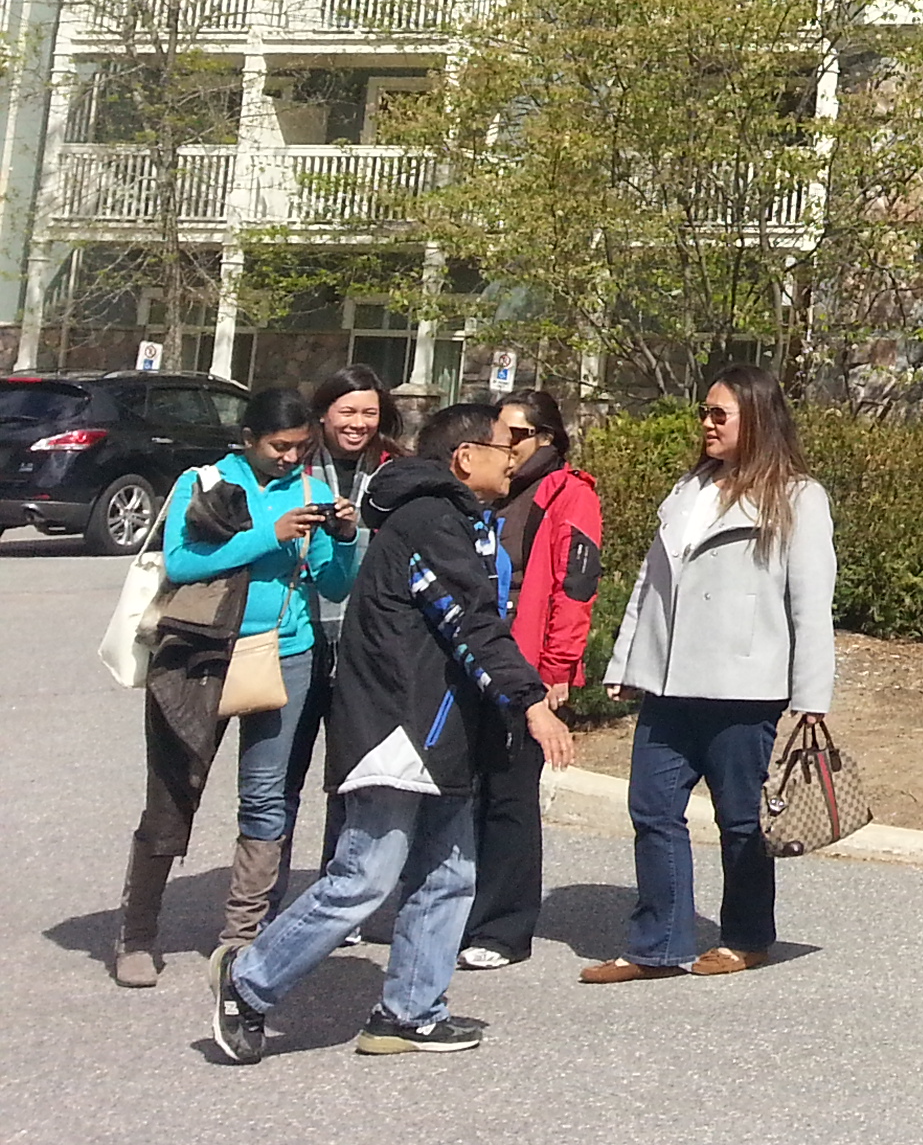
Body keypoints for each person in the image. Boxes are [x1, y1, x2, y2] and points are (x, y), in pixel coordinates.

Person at [209, 403, 576, 1062]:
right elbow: (468, 620)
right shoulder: (430, 519)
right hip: (399, 728)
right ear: (465, 457)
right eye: (505, 445)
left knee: (449, 875)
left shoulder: (455, 517)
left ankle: (409, 1013)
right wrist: (529, 701)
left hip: (444, 730)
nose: (514, 456)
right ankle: (248, 981)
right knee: (365, 876)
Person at [581, 364, 835, 984]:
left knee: (741, 820)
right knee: (651, 808)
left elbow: (811, 602)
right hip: (669, 683)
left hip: (744, 687)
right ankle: (657, 944)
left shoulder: (798, 497)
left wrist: (812, 696)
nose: (707, 424)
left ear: (758, 419)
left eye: (720, 414)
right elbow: (650, 584)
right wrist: (627, 661)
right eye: (704, 412)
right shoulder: (689, 489)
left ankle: (747, 937)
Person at [112, 386, 354, 988]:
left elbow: (334, 584)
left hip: (285, 653)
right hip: (198, 653)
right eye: (279, 447)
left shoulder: (311, 491)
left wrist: (345, 537)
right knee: (174, 790)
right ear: (248, 439)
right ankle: (137, 935)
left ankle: (243, 939)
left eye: (301, 448)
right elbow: (184, 562)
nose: (290, 458)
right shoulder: (206, 481)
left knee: (266, 797)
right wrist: (271, 533)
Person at [459, 387, 603, 969]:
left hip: (527, 661)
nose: (505, 444)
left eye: (516, 435)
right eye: (499, 433)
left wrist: (559, 667)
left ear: (546, 438)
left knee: (510, 794)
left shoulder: (569, 495)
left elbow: (576, 585)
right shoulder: (491, 489)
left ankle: (503, 928)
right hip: (478, 655)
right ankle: (456, 911)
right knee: (467, 790)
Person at [282, 365, 402, 869]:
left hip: (366, 637)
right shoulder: (295, 464)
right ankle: (266, 897)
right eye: (347, 411)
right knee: (282, 776)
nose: (358, 423)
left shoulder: (395, 469)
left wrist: (357, 532)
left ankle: (339, 887)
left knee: (351, 775)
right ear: (323, 413)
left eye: (369, 412)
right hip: (300, 634)